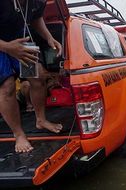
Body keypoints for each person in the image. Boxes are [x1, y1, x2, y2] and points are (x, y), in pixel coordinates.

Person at [0, 0, 63, 152]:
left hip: (19, 41)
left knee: (38, 76)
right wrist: (7, 47)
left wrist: (49, 37)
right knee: (7, 86)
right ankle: (19, 135)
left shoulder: (38, 2)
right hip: (2, 45)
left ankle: (41, 120)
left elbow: (36, 18)